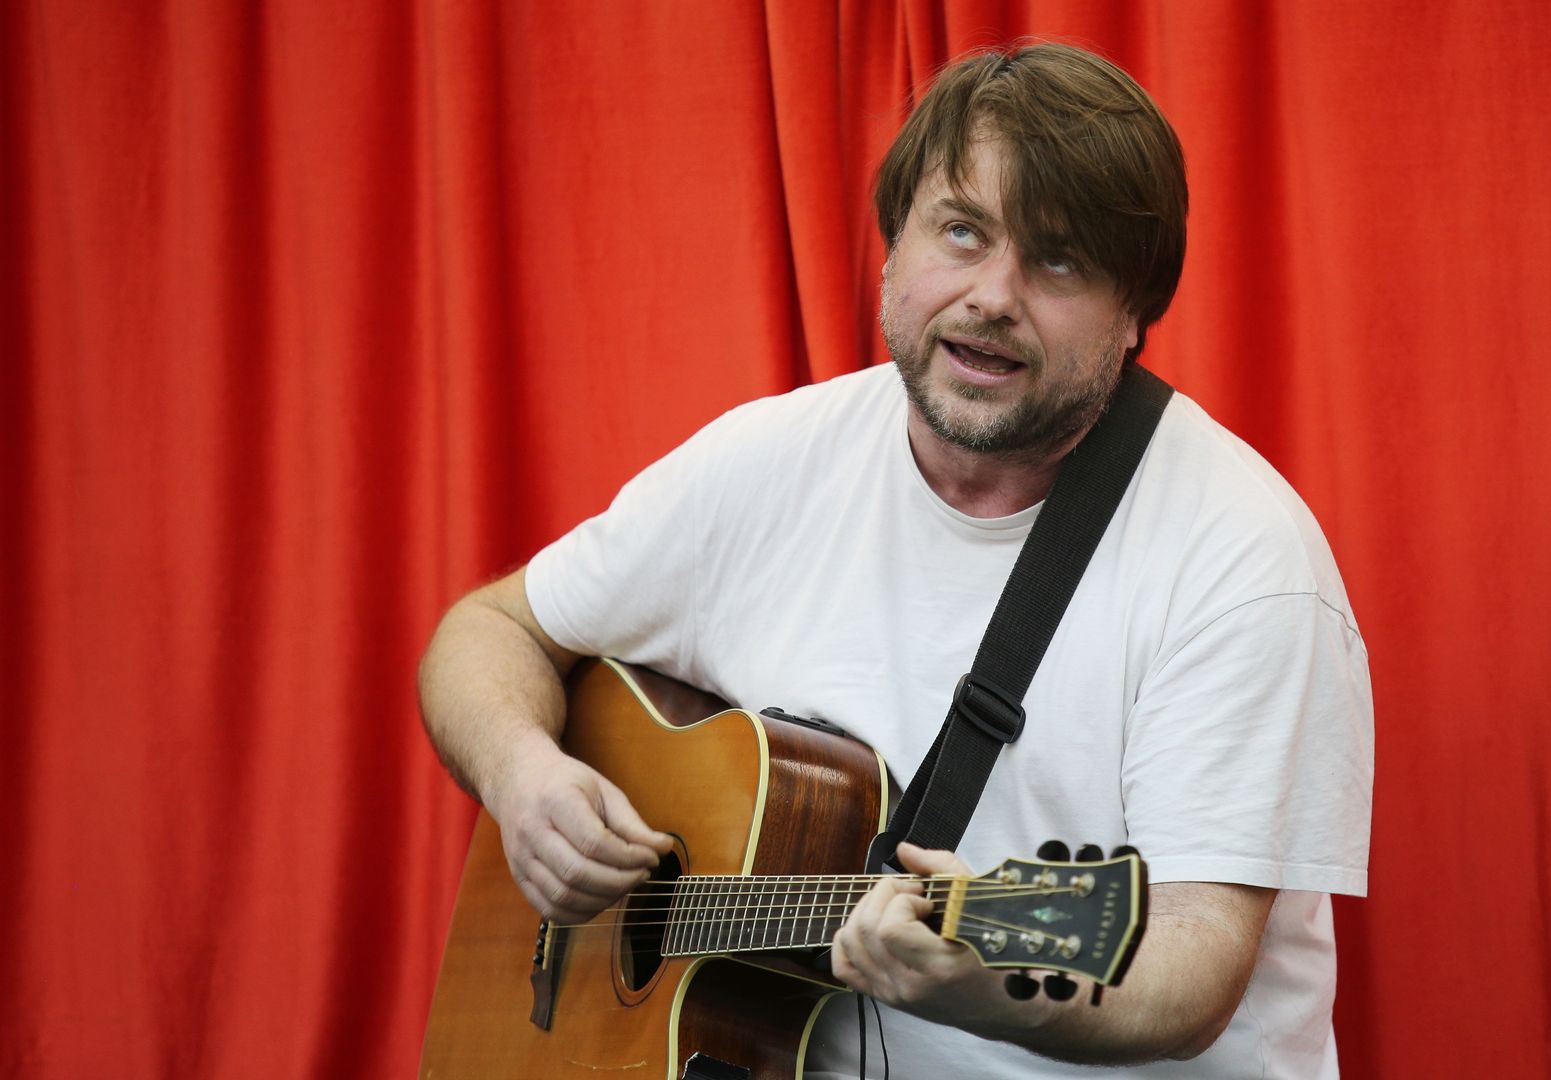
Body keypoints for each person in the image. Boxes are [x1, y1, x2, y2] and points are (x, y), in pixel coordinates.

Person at [419, 42, 1373, 1079]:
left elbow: (1190, 965)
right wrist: (523, 776)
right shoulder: (769, 464)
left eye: (1058, 261)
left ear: (1135, 311)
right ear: (892, 246)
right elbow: (490, 629)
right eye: (962, 232)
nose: (993, 295)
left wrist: (982, 990)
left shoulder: (1241, 563)